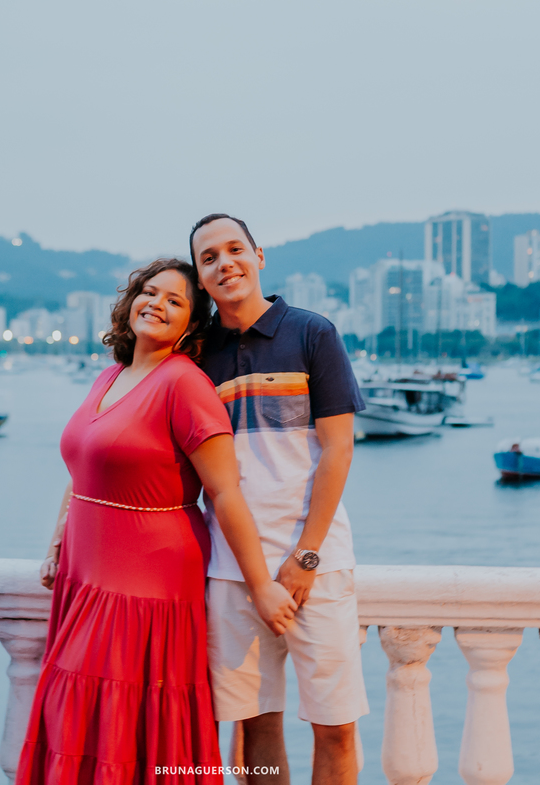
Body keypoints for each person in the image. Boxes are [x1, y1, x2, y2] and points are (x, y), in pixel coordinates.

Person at [18, 258, 296, 784]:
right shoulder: (110, 375)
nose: (157, 304)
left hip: (147, 578)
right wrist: (57, 541)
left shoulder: (184, 385)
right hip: (85, 571)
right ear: (130, 301)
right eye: (150, 292)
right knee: (81, 710)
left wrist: (261, 584)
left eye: (175, 301)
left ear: (191, 326)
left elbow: (224, 492)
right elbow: (83, 467)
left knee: (115, 711)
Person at [190, 214, 369, 785]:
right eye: (209, 258)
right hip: (231, 569)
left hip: (318, 564)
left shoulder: (312, 333)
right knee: (255, 725)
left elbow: (338, 451)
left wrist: (306, 556)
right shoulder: (196, 354)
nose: (225, 264)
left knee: (336, 725)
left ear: (259, 255)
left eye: (234, 249)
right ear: (199, 277)